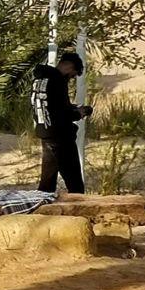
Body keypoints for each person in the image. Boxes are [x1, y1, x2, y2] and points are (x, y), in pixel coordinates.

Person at [31, 50, 92, 194]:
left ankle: (43, 208)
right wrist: (79, 113)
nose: (70, 79)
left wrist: (71, 108)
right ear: (70, 67)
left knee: (47, 182)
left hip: (45, 132)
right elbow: (61, 113)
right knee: (74, 182)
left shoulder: (39, 80)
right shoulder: (57, 80)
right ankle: (80, 209)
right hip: (60, 135)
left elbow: (49, 105)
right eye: (72, 75)